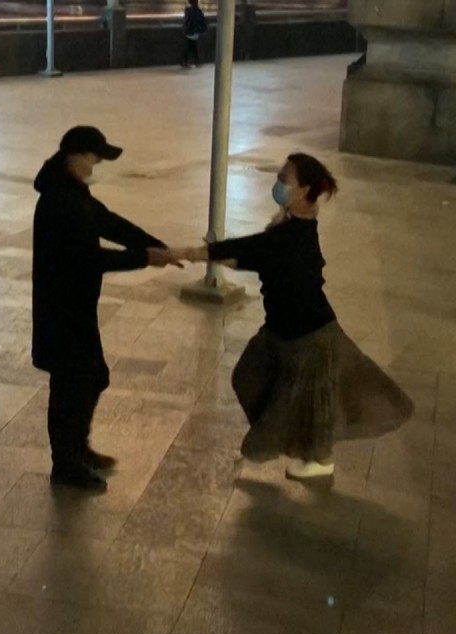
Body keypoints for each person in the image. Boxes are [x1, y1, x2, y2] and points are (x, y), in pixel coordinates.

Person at [165, 153, 413, 481]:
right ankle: (309, 455)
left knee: (296, 404)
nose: (278, 183)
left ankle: (285, 457)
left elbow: (254, 247)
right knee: (263, 382)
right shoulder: (294, 229)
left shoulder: (291, 235)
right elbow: (259, 256)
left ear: (303, 190)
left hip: (308, 336)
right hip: (286, 331)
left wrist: (193, 253)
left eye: (285, 179)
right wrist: (227, 260)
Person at [32, 126, 175, 491]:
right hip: (60, 310)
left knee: (91, 377)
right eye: (94, 156)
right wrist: (144, 258)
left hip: (76, 306)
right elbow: (89, 259)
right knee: (70, 386)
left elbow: (108, 221)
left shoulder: (71, 191)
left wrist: (154, 244)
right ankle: (66, 463)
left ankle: (77, 448)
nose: (97, 163)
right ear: (74, 155)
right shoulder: (59, 200)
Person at [182, 0, 208, 69]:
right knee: (192, 46)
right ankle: (193, 61)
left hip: (190, 31)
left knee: (191, 46)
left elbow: (187, 22)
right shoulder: (196, 11)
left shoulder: (189, 11)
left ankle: (192, 61)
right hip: (193, 31)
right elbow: (200, 20)